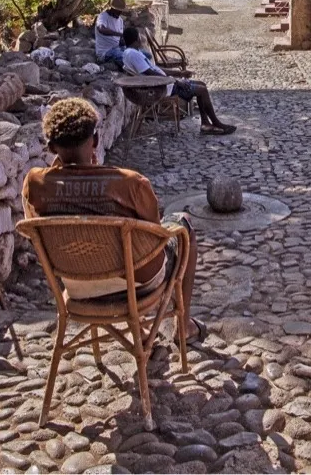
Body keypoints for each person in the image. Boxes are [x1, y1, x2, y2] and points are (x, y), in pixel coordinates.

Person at [21, 98, 202, 339]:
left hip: (76, 284)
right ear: (95, 140)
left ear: (52, 148)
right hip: (137, 284)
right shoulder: (130, 183)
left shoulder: (35, 184)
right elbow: (154, 237)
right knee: (183, 223)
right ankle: (183, 327)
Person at [121, 26, 235, 135]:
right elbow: (150, 73)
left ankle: (206, 123)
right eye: (140, 37)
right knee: (202, 90)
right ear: (137, 39)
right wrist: (176, 80)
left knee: (202, 85)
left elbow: (157, 69)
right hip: (162, 87)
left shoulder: (134, 52)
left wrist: (179, 73)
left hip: (165, 83)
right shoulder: (132, 54)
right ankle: (215, 123)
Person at [94, 0, 127, 64]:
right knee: (126, 58)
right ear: (112, 8)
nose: (120, 13)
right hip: (105, 52)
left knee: (144, 54)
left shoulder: (120, 20)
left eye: (121, 11)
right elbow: (101, 29)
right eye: (118, 10)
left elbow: (119, 41)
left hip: (117, 49)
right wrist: (119, 34)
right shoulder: (102, 16)